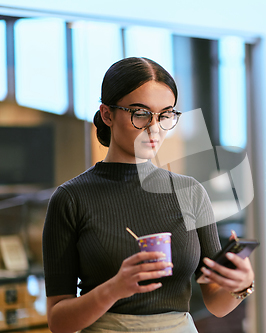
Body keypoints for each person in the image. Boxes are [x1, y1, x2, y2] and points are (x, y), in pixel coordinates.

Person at [42, 57, 255, 333]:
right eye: (141, 113)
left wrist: (240, 285)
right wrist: (114, 289)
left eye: (165, 115)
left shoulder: (190, 193)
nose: (154, 128)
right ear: (107, 114)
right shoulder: (71, 199)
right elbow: (59, 322)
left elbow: (216, 303)